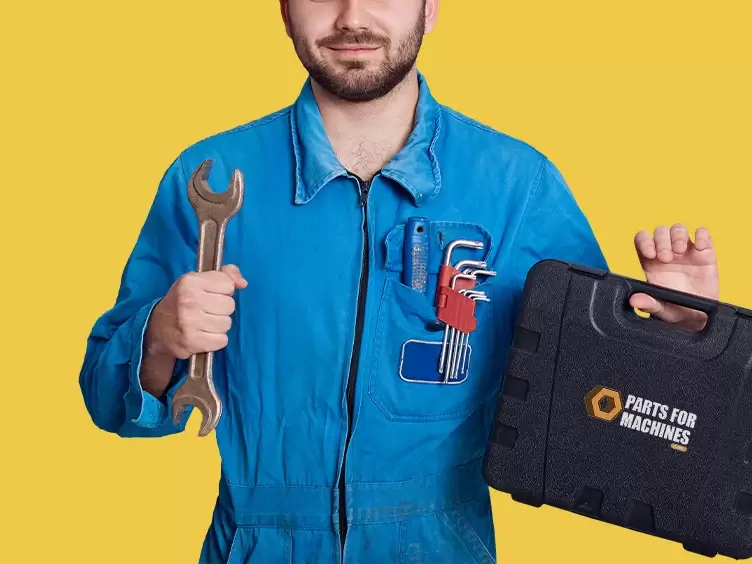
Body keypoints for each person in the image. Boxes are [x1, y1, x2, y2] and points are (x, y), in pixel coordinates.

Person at [78, 0, 720, 562]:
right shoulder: (210, 173)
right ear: (282, 9)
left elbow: (595, 418)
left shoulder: (518, 185)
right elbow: (108, 400)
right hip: (256, 544)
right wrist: (160, 336)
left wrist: (677, 348)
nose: (352, 16)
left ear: (430, 7)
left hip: (442, 546)